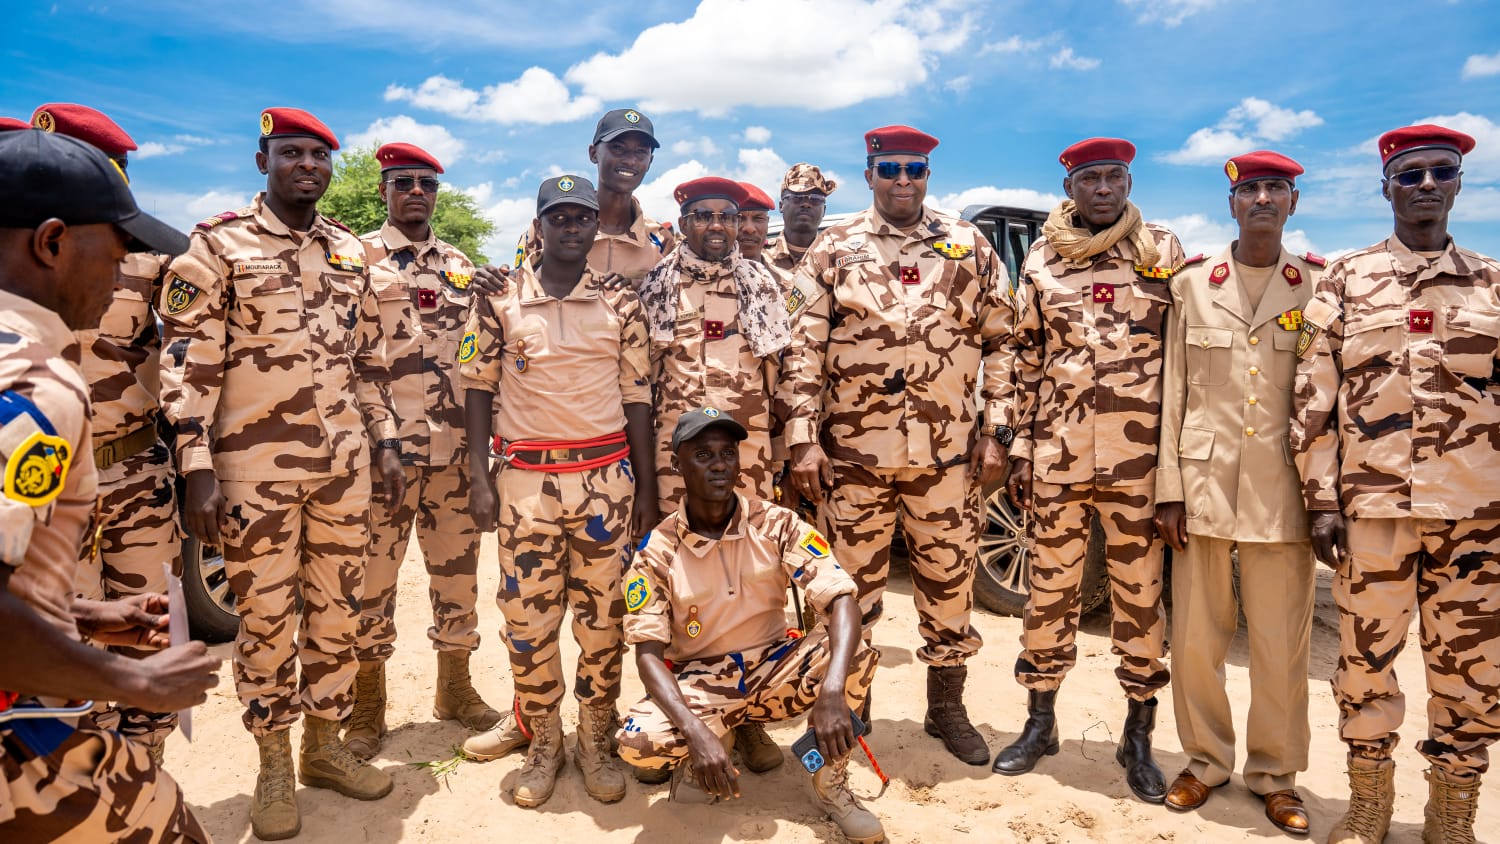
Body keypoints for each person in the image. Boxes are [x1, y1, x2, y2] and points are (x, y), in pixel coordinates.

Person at [157, 107, 404, 841]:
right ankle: (272, 762)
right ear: (262, 159)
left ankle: (323, 748)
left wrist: (386, 442)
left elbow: (369, 362)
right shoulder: (218, 246)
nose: (308, 165)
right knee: (265, 621)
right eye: (291, 152)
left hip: (343, 470)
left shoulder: (350, 253)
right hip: (252, 475)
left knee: (339, 611)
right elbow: (186, 363)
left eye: (319, 156)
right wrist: (196, 468)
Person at [0, 127, 220, 842]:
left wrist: (89, 620)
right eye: (116, 244)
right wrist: (133, 681)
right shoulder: (38, 384)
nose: (126, 262)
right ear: (53, 242)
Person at [1292, 124, 1497, 844]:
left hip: (1477, 514)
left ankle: (1452, 818)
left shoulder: (1493, 281)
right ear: (1386, 187)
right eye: (1410, 175)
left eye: (1441, 171)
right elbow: (1313, 398)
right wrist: (1320, 498)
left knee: (1472, 672)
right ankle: (1370, 807)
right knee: (1364, 664)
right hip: (1373, 510)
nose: (1427, 186)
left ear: (1459, 182)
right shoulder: (1347, 278)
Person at [781, 125, 1011, 766]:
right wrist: (802, 441)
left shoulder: (967, 245)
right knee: (851, 591)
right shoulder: (833, 246)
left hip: (945, 459)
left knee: (950, 586)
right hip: (854, 460)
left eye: (914, 169)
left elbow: (1003, 344)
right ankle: (850, 710)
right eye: (890, 169)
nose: (902, 180)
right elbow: (802, 348)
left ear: (928, 175)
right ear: (869, 174)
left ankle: (946, 709)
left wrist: (998, 431)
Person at [994, 138, 1185, 805]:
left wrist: (1178, 472)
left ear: (1129, 180)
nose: (1104, 188)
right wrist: (1017, 447)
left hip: (1138, 466)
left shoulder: (1161, 250)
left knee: (1140, 603)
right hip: (1058, 458)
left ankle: (1137, 738)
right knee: (1049, 597)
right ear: (1070, 186)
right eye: (1090, 178)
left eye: (1115, 176)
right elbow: (1024, 359)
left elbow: (1187, 357)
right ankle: (1039, 723)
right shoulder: (1044, 258)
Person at [458, 175, 657, 808]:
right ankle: (544, 742)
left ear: (595, 226)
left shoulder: (619, 301)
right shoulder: (499, 297)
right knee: (528, 621)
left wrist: (647, 491)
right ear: (538, 224)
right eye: (558, 217)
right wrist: (479, 480)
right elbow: (478, 387)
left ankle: (595, 741)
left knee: (605, 622)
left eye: (581, 217)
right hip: (524, 486)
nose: (571, 227)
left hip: (606, 483)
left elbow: (637, 397)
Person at [615, 407, 884, 844]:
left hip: (775, 669)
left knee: (856, 648)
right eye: (702, 454)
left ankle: (830, 783)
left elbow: (842, 600)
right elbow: (647, 657)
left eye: (727, 452)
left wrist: (833, 690)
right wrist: (695, 732)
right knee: (638, 743)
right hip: (703, 682)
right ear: (676, 464)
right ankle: (715, 741)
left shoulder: (776, 523)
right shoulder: (656, 551)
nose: (719, 464)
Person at [1154, 151, 1321, 834]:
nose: (1260, 199)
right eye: (1248, 189)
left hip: (1284, 490)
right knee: (1196, 639)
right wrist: (1168, 488)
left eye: (1274, 189)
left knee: (1281, 647)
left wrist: (1327, 496)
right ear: (1231, 203)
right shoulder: (1192, 286)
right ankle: (1204, 761)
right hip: (1201, 486)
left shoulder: (1316, 286)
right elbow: (1171, 393)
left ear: (1292, 203)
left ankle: (1275, 776)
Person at [33, 101, 185, 765]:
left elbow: (194, 351)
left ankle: (145, 772)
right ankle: (78, 775)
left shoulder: (148, 260)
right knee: (56, 647)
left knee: (151, 628)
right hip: (42, 489)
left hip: (134, 477)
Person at [343, 142, 500, 761]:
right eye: (403, 183)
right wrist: (380, 439)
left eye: (426, 185)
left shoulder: (461, 266)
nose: (416, 193)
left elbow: (480, 362)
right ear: (383, 190)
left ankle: (455, 691)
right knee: (372, 582)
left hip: (456, 455)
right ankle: (367, 707)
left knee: (458, 576)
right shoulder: (354, 259)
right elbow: (352, 361)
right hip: (384, 457)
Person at [640, 177, 789, 513]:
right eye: (704, 216)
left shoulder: (762, 284)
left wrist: (782, 455)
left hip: (748, 445)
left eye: (728, 217)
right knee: (679, 548)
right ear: (683, 224)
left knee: (751, 544)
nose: (717, 226)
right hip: (677, 448)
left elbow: (782, 376)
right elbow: (640, 378)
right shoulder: (657, 286)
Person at [474, 108, 675, 294]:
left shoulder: (660, 239)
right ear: (593, 153)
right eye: (618, 148)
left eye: (641, 152)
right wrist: (492, 281)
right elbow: (519, 294)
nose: (630, 161)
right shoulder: (550, 227)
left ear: (650, 161)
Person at [763, 163, 836, 288]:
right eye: (796, 197)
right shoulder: (760, 256)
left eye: (815, 198)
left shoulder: (836, 258)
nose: (806, 204)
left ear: (824, 209)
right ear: (781, 206)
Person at [734, 181, 775, 263]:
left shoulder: (783, 276)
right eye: (739, 218)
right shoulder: (703, 275)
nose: (749, 228)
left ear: (767, 222)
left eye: (758, 218)